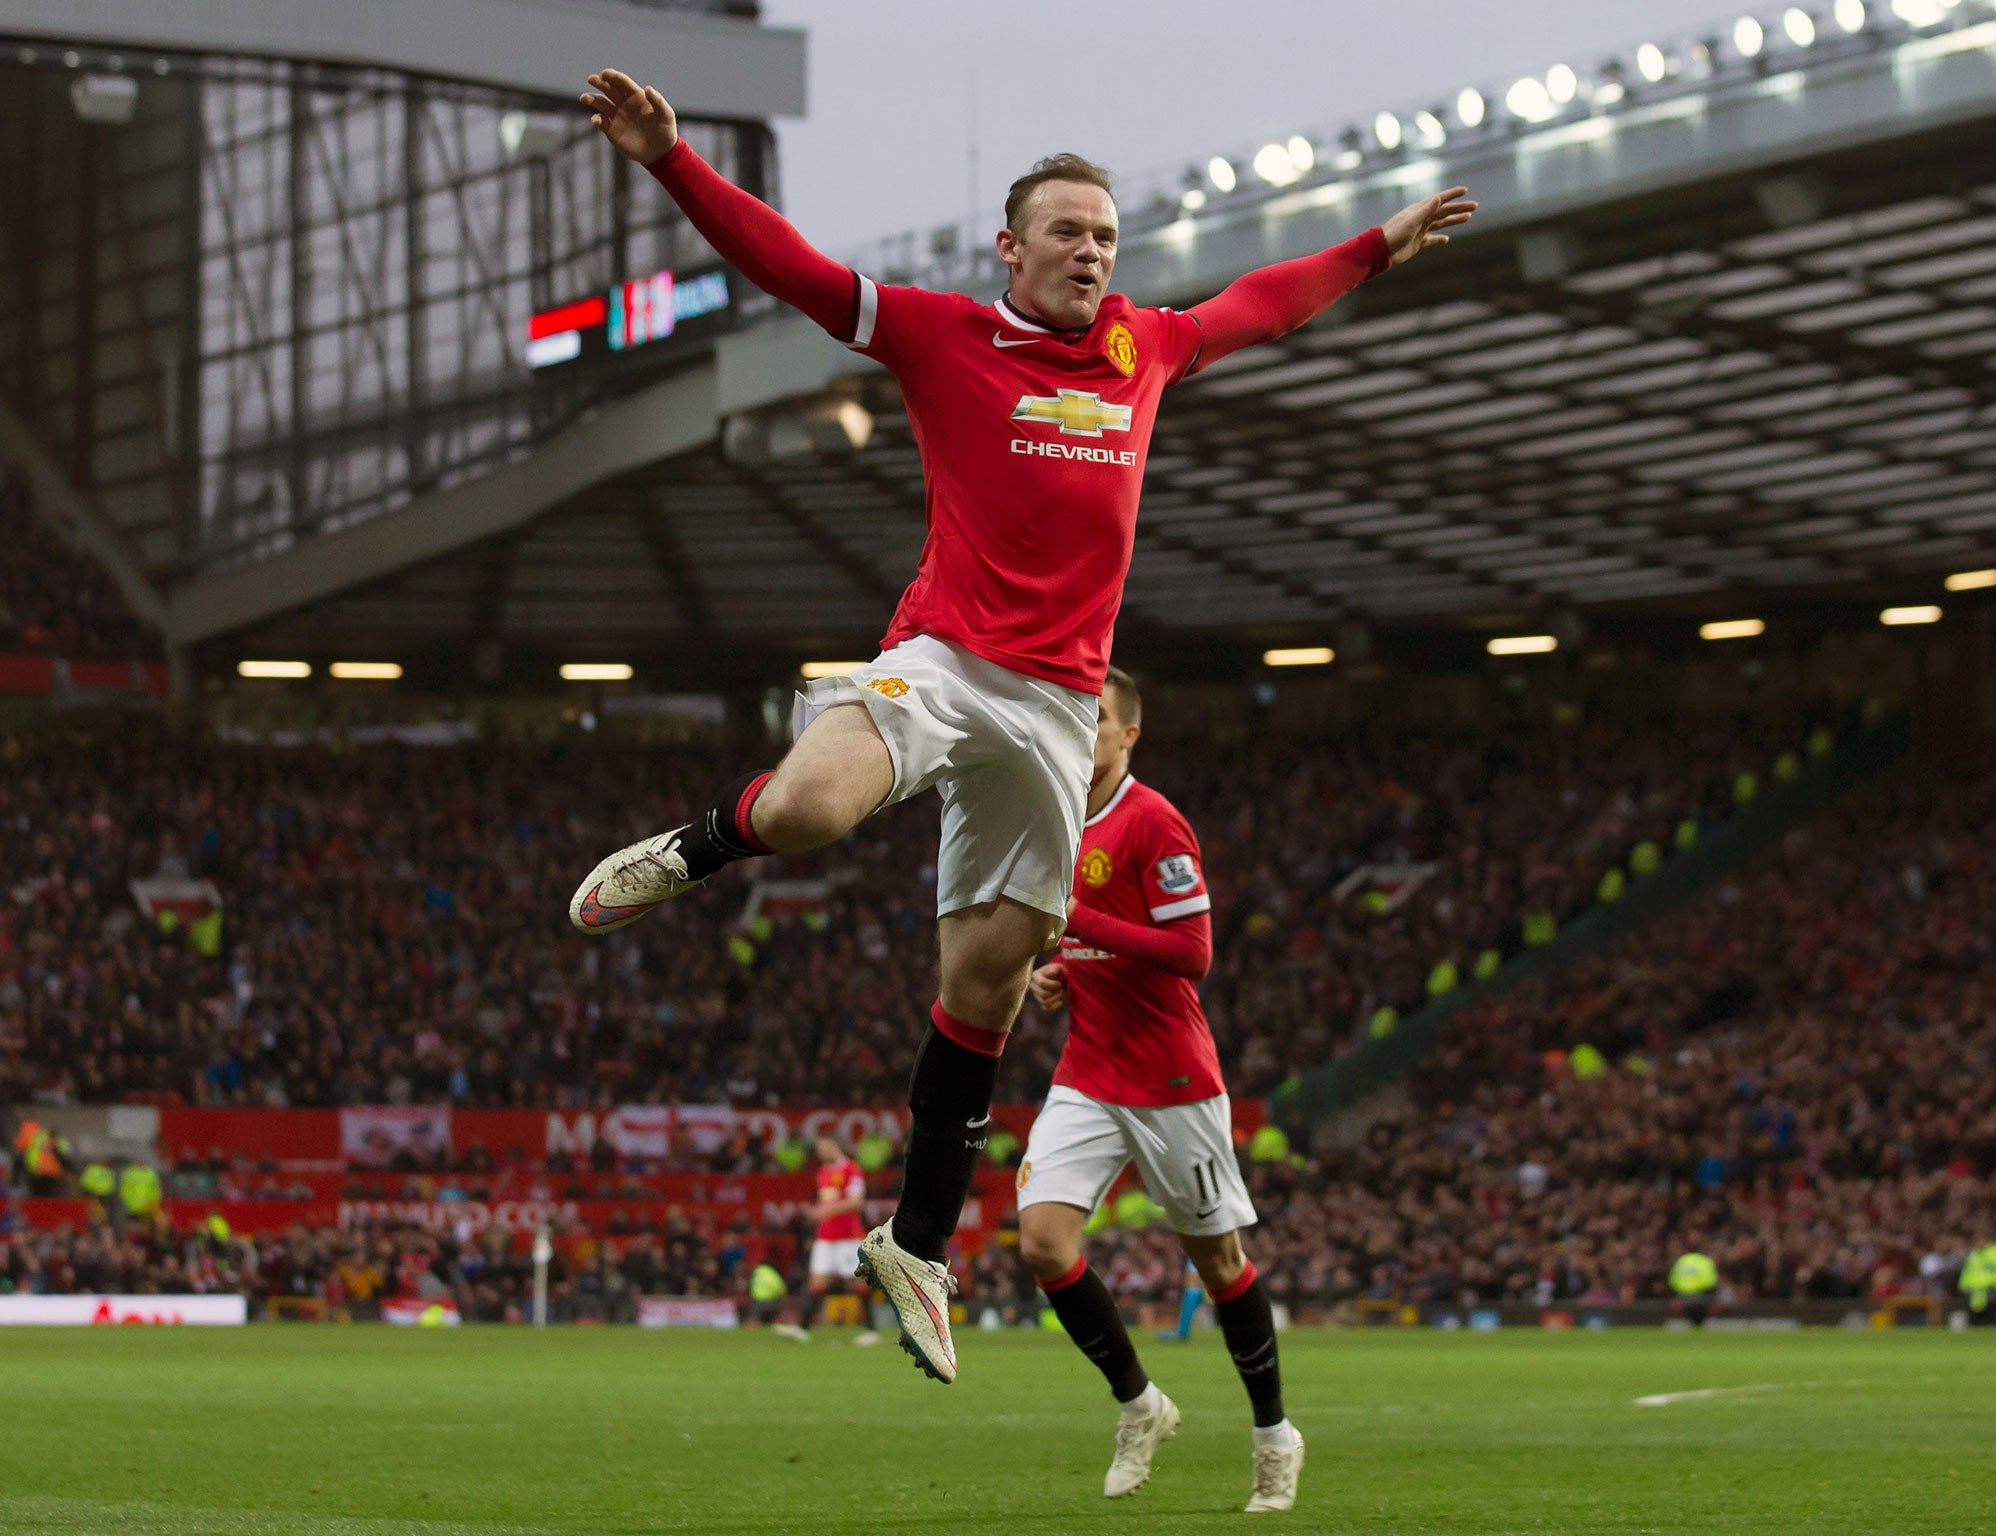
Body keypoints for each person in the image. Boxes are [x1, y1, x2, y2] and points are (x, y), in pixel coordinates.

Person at [570, 66, 1475, 1386]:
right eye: (1067, 232)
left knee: (984, 990)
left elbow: (1260, 307)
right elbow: (798, 271)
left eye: (1105, 235)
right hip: (946, 660)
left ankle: (917, 1245)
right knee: (814, 812)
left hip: (1060, 708)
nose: (1092, 253)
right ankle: (700, 848)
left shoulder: (1145, 349)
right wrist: (669, 160)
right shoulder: (943, 335)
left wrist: (1374, 249)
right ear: (1012, 247)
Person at [1017, 667, 1302, 1512]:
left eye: (1097, 716)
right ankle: (1140, 1405)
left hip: (1173, 1079)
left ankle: (1274, 1438)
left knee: (1218, 1265)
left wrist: (1081, 928)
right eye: (1074, 712)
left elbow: (1192, 954)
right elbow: (1091, 934)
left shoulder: (1155, 820)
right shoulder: (1060, 815)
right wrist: (1062, 970)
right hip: (1089, 1071)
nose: (1083, 726)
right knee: (1041, 1243)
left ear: (1128, 734)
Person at [776, 1134, 880, 1344]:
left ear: (834, 1146)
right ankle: (802, 1328)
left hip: (848, 1237)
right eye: (818, 1149)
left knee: (857, 1283)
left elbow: (856, 1202)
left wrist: (825, 1211)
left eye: (824, 1147)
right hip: (825, 1236)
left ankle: (871, 1330)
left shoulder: (851, 1169)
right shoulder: (822, 1172)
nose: (820, 1152)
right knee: (816, 1282)